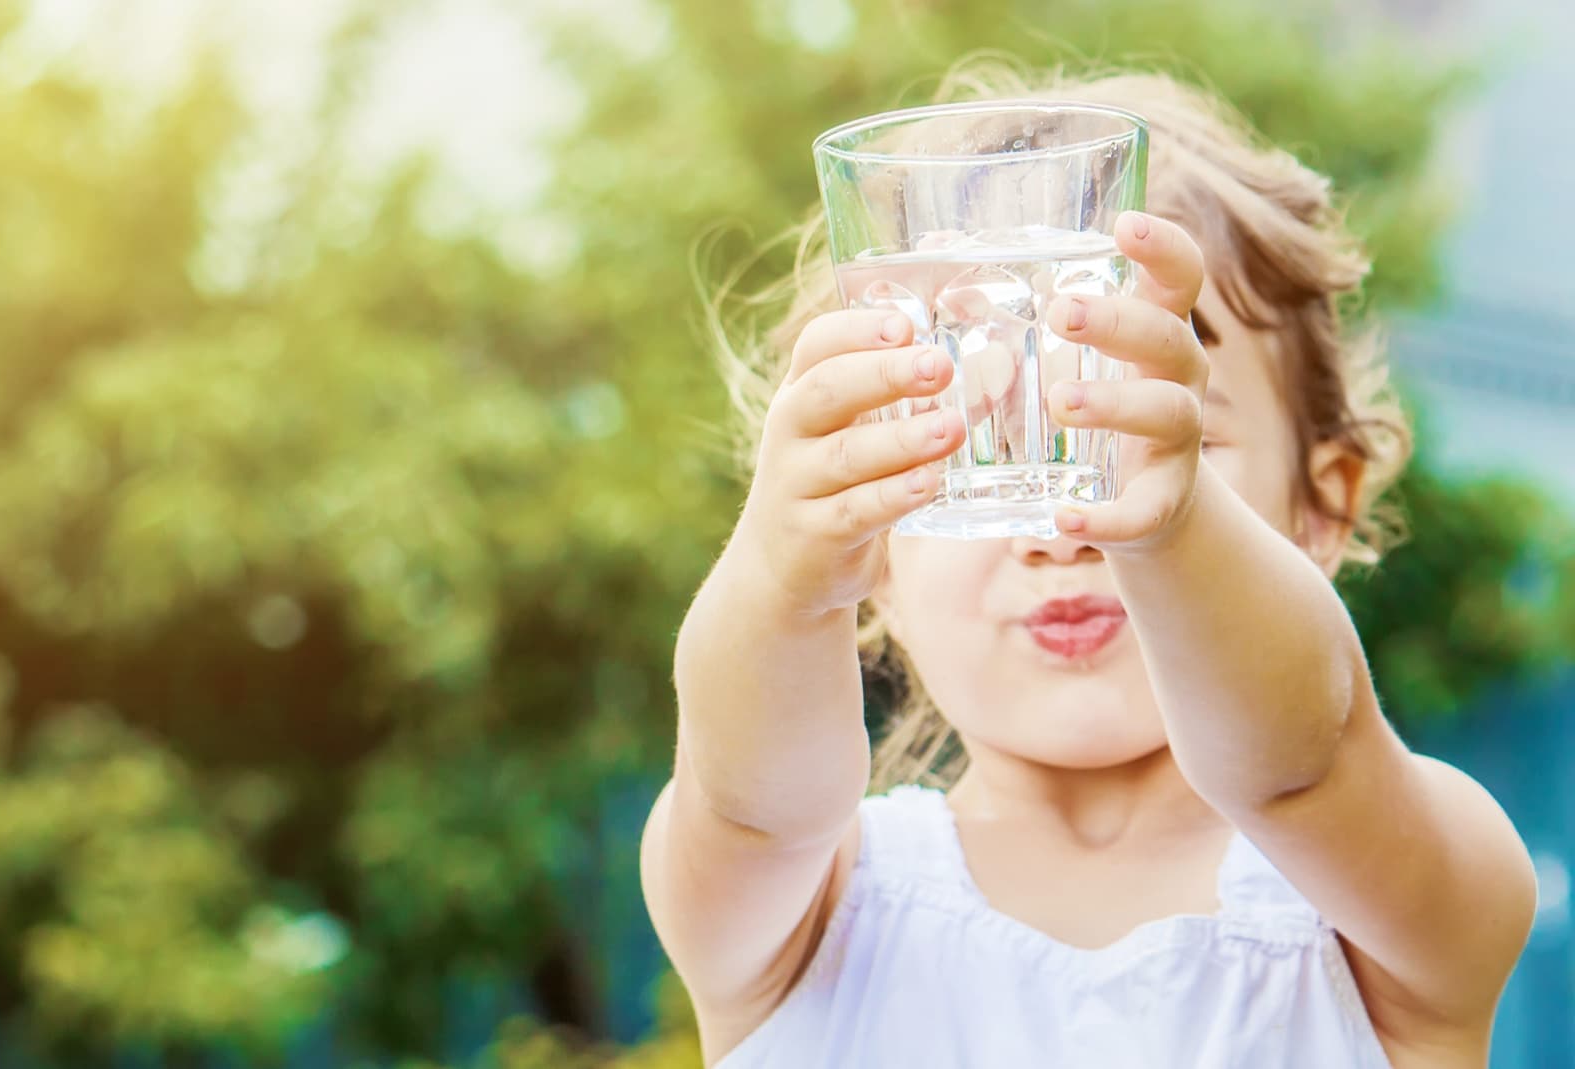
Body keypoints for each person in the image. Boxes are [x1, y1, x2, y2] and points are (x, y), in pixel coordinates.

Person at [640, 64, 1535, 1068]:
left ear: (1321, 506)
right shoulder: (803, 910)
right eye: (977, 439)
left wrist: (1174, 529)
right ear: (872, 556)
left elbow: (1300, 763)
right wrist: (779, 576)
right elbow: (749, 803)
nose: (1065, 529)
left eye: (1157, 433)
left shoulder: (1392, 904)